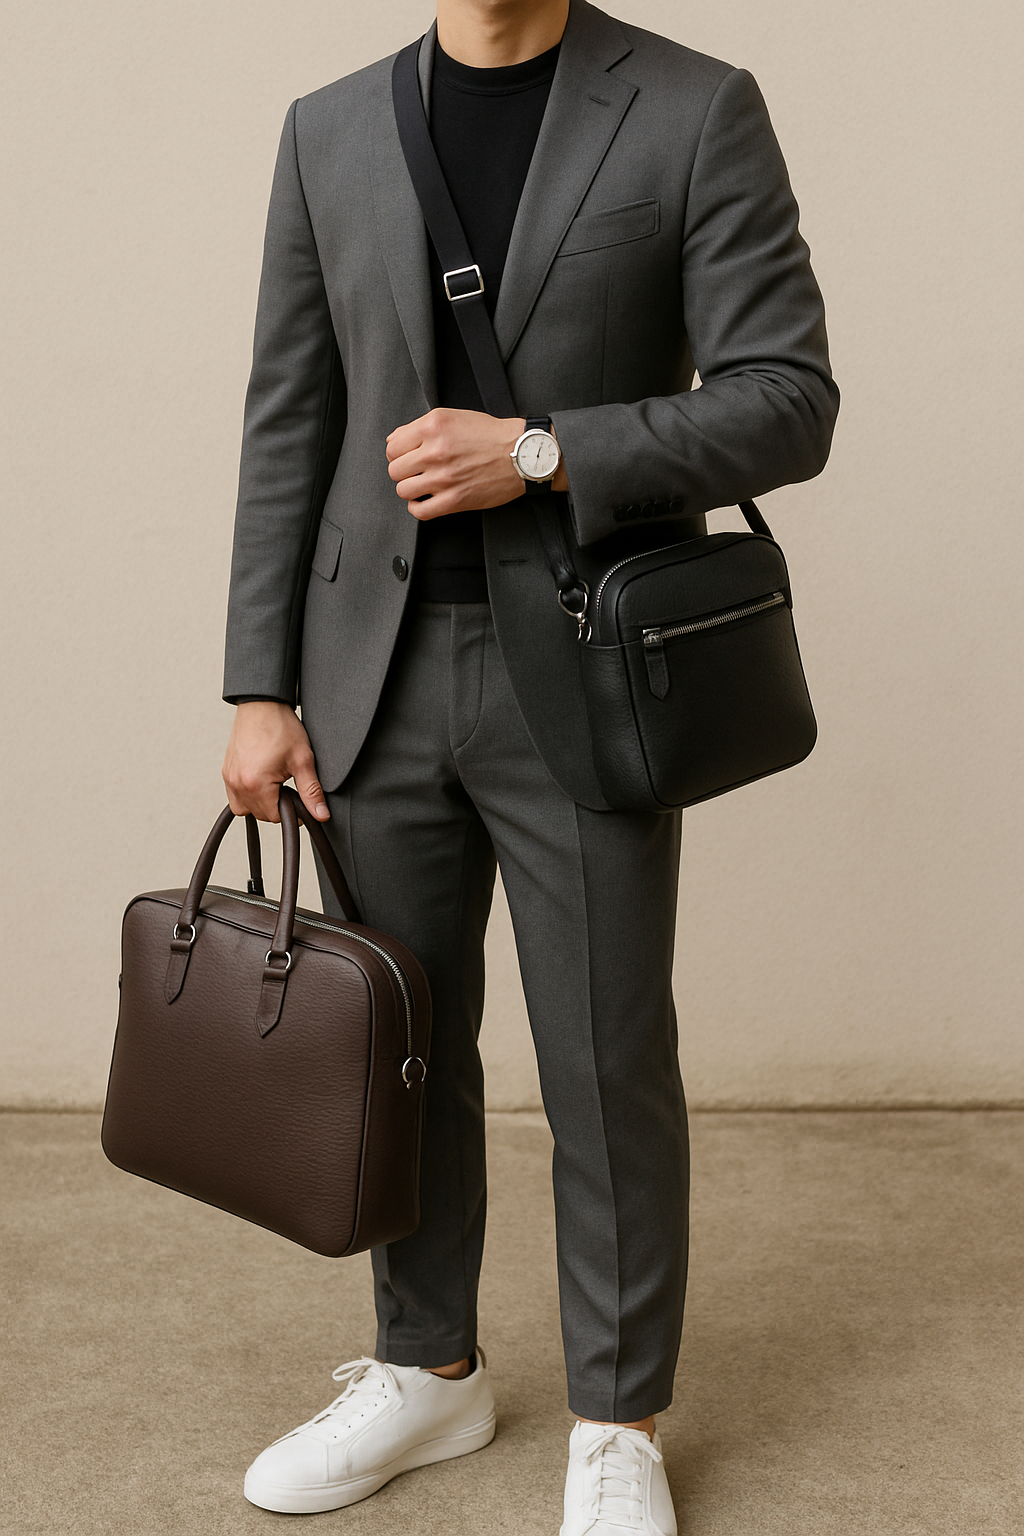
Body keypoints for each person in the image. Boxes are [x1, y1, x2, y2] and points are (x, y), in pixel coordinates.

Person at [220, 0, 838, 1528]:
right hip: (368, 682)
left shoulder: (693, 107)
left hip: (587, 671)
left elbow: (788, 398)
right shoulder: (328, 129)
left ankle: (617, 1422)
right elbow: (289, 419)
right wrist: (259, 685)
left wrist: (545, 449)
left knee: (605, 1066)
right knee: (400, 1051)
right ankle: (426, 1368)